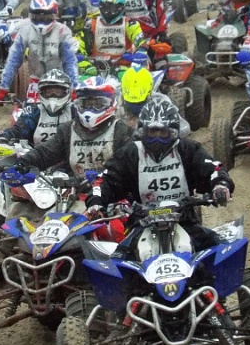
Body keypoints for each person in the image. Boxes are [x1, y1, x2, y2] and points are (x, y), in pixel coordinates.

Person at [85, 97, 233, 256]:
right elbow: (104, 180)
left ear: (173, 132)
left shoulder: (187, 149)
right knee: (115, 263)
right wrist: (96, 202)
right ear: (143, 131)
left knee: (223, 251)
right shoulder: (131, 153)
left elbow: (214, 168)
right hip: (142, 224)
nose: (157, 138)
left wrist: (220, 185)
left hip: (185, 221)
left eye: (163, 132)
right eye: (152, 132)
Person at [11, 77, 132, 179]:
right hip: (74, 190)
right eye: (85, 104)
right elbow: (46, 153)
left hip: (113, 194)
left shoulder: (121, 130)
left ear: (111, 104)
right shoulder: (68, 130)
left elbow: (132, 165)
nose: (91, 109)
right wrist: (23, 162)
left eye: (98, 104)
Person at [0, 0, 78, 101]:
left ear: (54, 16)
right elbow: (13, 59)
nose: (41, 21)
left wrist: (74, 87)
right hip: (36, 81)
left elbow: (70, 61)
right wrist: (4, 87)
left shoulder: (62, 31)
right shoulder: (25, 31)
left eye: (45, 17)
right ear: (31, 16)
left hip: (60, 83)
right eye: (37, 17)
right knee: (29, 111)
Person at [0, 69, 73, 145]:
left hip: (70, 155)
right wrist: (5, 136)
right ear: (41, 92)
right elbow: (19, 129)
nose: (53, 95)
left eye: (57, 92)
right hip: (37, 155)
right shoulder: (35, 110)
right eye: (49, 92)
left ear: (67, 91)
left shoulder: (75, 111)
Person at [80, 0, 146, 64]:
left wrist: (141, 52)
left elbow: (141, 42)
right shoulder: (90, 25)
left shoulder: (130, 24)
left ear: (121, 8)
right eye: (105, 8)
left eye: (112, 9)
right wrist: (85, 63)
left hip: (122, 66)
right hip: (94, 67)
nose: (108, 13)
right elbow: (80, 49)